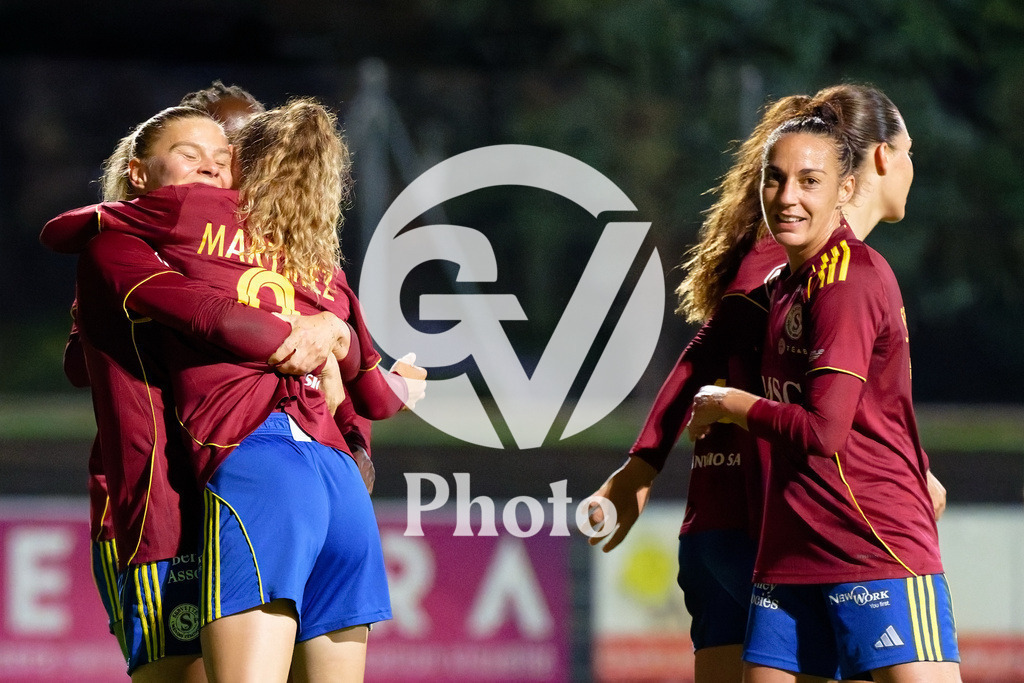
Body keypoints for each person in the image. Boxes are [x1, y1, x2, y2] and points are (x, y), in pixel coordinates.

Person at [43, 100, 422, 682]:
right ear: (141, 171)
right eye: (192, 156)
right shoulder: (298, 254)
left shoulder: (266, 247)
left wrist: (322, 343)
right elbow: (371, 390)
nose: (217, 177)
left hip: (240, 482)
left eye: (229, 161)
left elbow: (71, 238)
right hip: (186, 500)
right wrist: (320, 335)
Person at [586, 84, 946, 683]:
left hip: (758, 534)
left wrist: (912, 464)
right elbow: (710, 357)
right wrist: (641, 467)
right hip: (774, 535)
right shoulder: (792, 265)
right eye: (910, 151)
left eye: (806, 181)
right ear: (882, 157)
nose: (913, 166)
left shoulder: (816, 268)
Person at [686, 104, 961, 681]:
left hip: (873, 549)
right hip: (787, 560)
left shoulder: (849, 277)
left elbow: (824, 430)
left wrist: (731, 405)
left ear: (846, 189)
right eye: (775, 179)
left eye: (810, 181)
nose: (788, 197)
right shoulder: (782, 286)